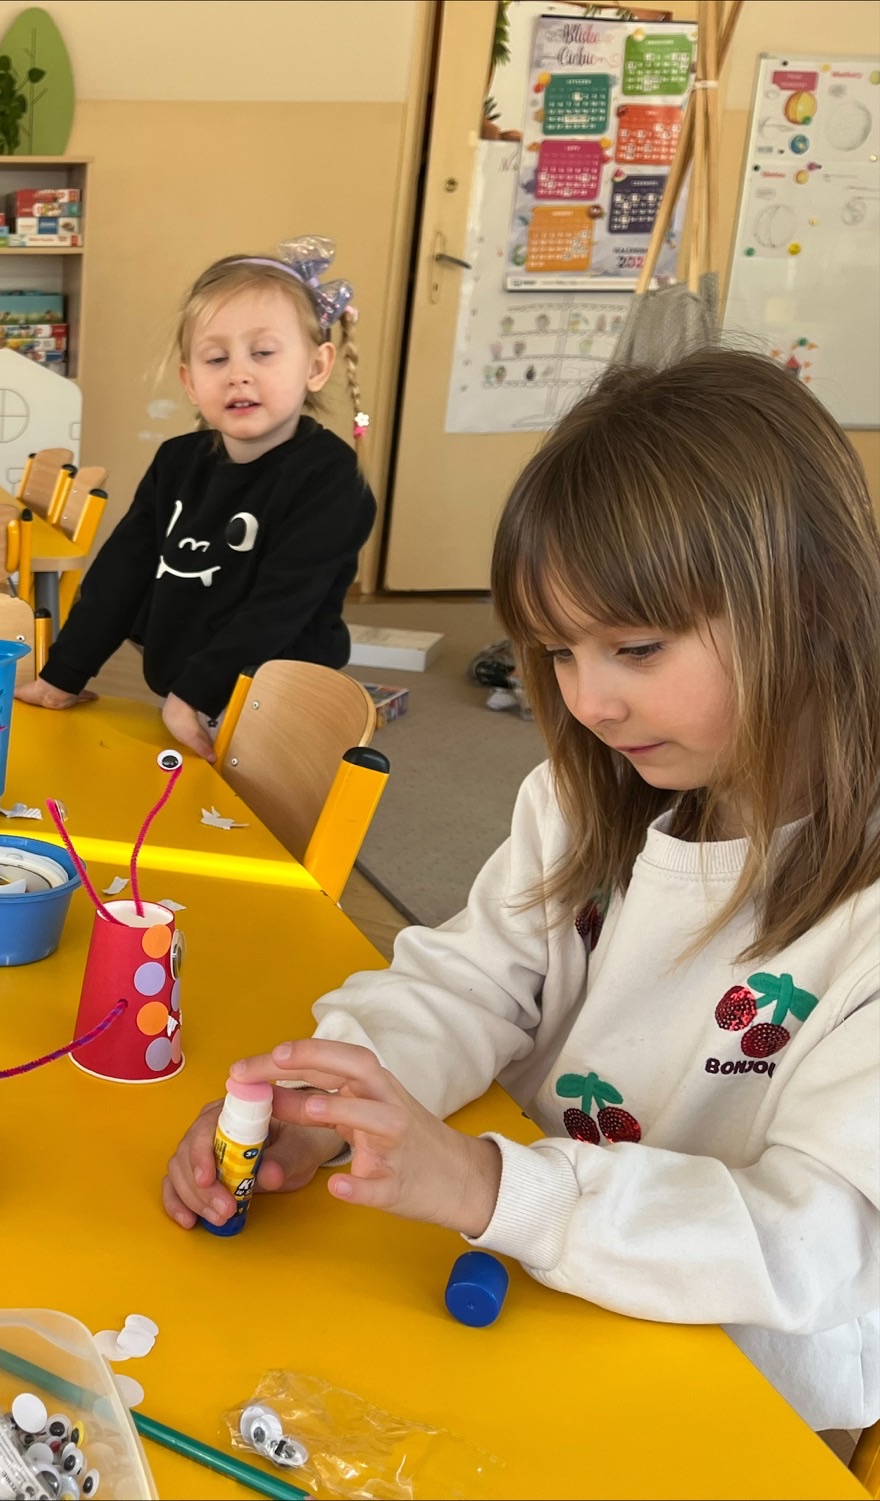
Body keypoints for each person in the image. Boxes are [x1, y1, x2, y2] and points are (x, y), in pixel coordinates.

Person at [162, 350, 880, 1438]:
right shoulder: (587, 799)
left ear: (810, 602)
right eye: (557, 653)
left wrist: (489, 1185)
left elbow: (820, 1240)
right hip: (535, 1277)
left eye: (635, 647)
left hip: (742, 1394)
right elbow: (470, 980)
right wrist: (321, 1104)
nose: (588, 701)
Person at [18, 237, 376, 757]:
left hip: (279, 700)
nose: (238, 373)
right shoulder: (177, 461)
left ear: (316, 367)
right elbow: (120, 575)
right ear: (189, 380)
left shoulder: (331, 478)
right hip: (190, 692)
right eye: (215, 358)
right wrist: (64, 675)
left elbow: (280, 607)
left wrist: (194, 694)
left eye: (263, 353)